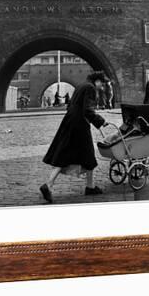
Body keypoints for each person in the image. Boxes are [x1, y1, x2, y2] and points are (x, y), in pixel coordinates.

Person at [40, 71, 109, 203]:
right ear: (98, 81)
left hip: (70, 122)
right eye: (103, 84)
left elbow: (73, 105)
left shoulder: (81, 85)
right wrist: (101, 121)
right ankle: (50, 185)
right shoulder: (90, 88)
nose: (102, 87)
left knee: (68, 154)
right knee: (85, 154)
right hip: (80, 125)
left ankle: (89, 186)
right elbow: (87, 110)